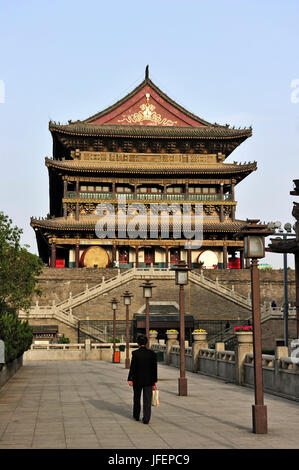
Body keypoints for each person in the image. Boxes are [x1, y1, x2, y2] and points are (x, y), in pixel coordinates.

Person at [128, 334, 157, 424]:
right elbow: (154, 368)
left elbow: (132, 367)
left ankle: (136, 416)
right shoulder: (152, 354)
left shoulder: (135, 353)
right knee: (147, 399)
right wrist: (155, 380)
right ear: (146, 342)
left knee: (136, 398)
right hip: (149, 380)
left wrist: (130, 379)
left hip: (137, 379)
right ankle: (146, 418)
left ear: (138, 343)